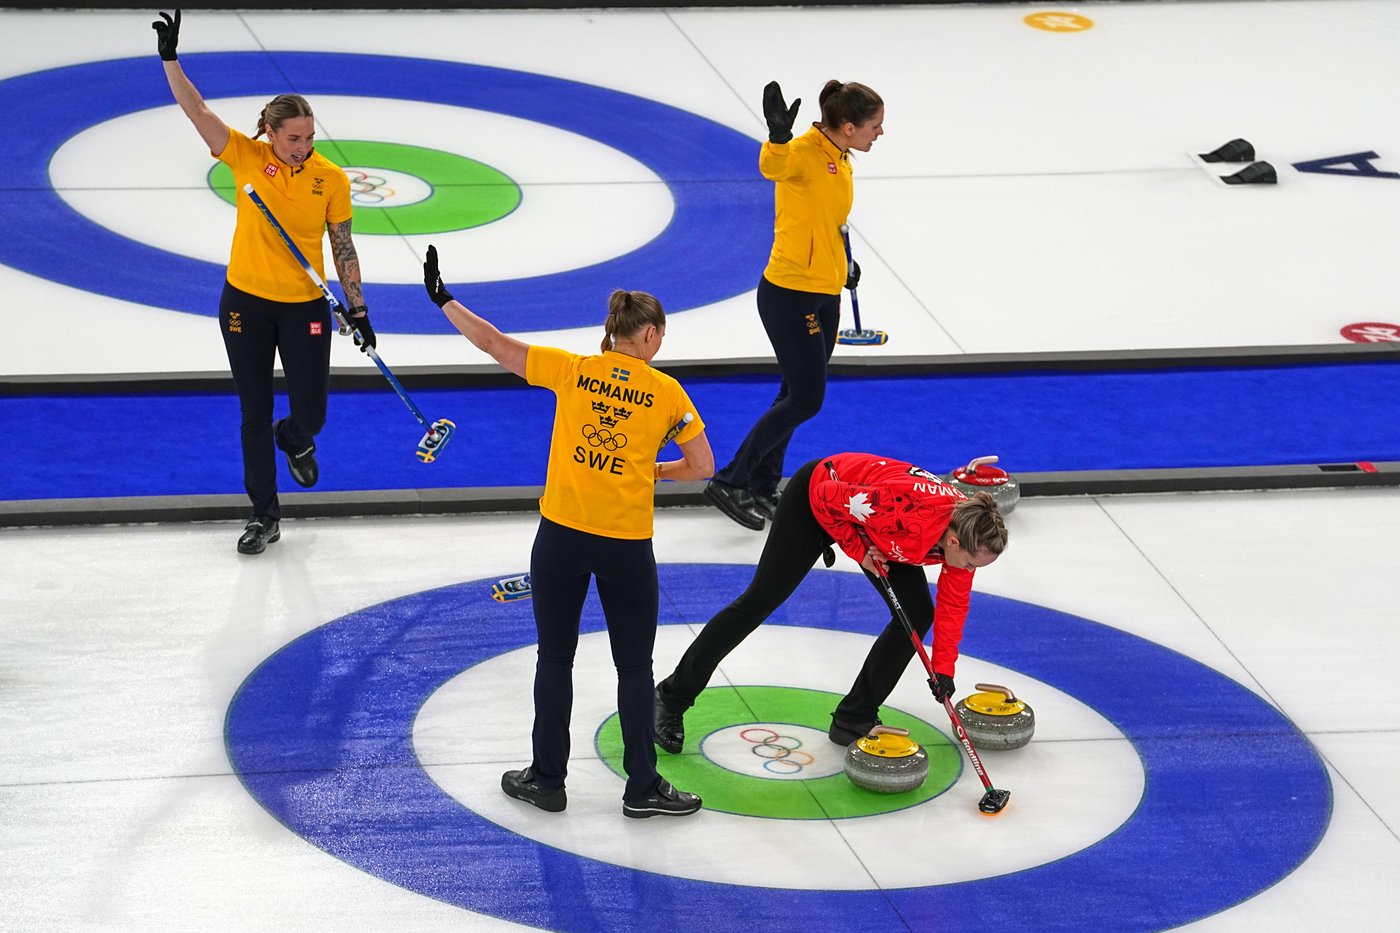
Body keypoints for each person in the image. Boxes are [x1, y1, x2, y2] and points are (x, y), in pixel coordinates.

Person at [423, 245, 714, 819]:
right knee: (634, 668)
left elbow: (493, 343)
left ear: (613, 332)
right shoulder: (667, 394)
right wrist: (656, 469)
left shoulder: (573, 370)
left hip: (560, 538)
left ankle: (547, 780)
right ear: (650, 335)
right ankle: (642, 789)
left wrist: (444, 300)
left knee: (555, 658)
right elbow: (704, 467)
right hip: (625, 544)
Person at [153, 10, 376, 555]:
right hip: (245, 304)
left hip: (306, 307)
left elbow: (342, 245)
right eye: (294, 137)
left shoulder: (331, 179)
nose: (304, 146)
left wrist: (360, 310)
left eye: (309, 137)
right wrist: (170, 59)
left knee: (311, 414)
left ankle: (294, 440)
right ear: (270, 132)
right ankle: (263, 516)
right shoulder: (245, 157)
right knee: (253, 412)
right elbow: (195, 109)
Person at [656, 452, 1007, 754]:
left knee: (916, 614)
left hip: (875, 524)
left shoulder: (963, 539)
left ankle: (854, 717)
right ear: (953, 541)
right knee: (758, 602)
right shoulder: (909, 511)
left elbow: (953, 606)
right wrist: (859, 551)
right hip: (817, 498)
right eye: (972, 563)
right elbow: (826, 496)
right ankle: (670, 699)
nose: (970, 571)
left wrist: (944, 668)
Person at [703, 80, 884, 531]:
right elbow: (773, 167)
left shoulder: (841, 157)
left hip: (824, 290)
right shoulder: (803, 151)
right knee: (806, 398)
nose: (880, 133)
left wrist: (844, 263)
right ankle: (730, 480)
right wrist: (778, 137)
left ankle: (763, 484)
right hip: (790, 293)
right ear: (848, 126)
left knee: (792, 393)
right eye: (875, 126)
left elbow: (827, 221)